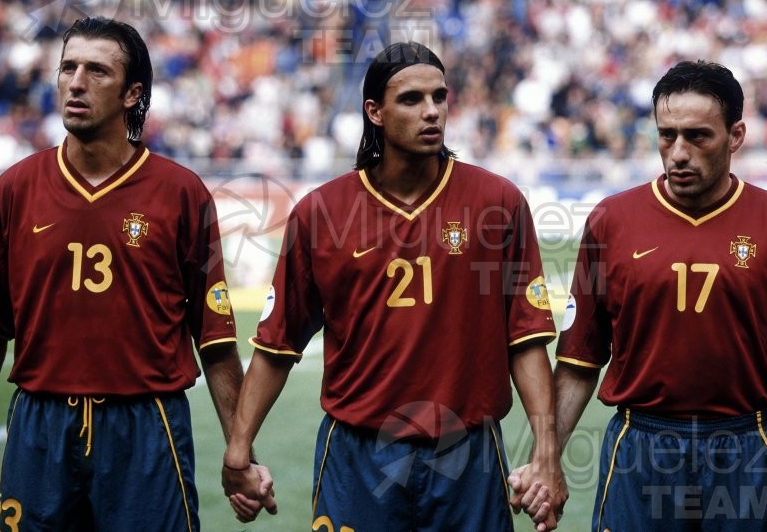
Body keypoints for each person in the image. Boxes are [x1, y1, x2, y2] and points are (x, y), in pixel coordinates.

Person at [221, 41, 562, 530]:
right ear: (374, 111)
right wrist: (238, 449)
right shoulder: (322, 213)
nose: (432, 112)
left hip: (467, 455)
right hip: (356, 456)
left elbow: (526, 339)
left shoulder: (497, 203)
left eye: (440, 98)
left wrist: (546, 453)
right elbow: (277, 345)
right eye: (412, 100)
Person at [512, 60, 767, 530]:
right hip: (640, 445)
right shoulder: (611, 221)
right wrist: (545, 460)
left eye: (698, 136)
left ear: (735, 136)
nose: (678, 152)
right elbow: (578, 363)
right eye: (666, 135)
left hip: (745, 444)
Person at [0, 16, 246, 530]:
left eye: (96, 71)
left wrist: (240, 451)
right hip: (40, 426)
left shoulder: (181, 193)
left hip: (148, 426)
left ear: (132, 94)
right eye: (67, 67)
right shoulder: (14, 189)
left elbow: (217, 340)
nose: (75, 81)